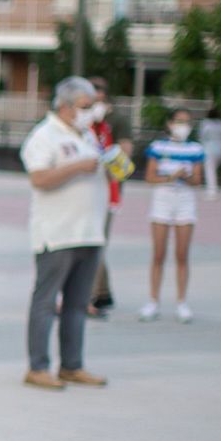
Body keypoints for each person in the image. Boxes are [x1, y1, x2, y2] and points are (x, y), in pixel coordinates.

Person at [20, 76, 112, 391]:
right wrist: (77, 167)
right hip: (57, 233)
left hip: (89, 231)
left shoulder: (87, 135)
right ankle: (38, 366)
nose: (91, 112)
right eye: (86, 106)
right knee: (46, 301)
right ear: (65, 106)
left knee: (77, 303)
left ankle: (72, 365)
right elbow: (39, 178)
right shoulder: (44, 136)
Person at [140, 109, 205, 323]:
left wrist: (185, 177)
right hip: (162, 199)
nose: (183, 126)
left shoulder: (195, 149)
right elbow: (150, 177)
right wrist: (170, 176)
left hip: (185, 200)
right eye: (179, 121)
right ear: (169, 123)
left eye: (187, 122)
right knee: (158, 253)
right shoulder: (158, 147)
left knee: (182, 254)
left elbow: (197, 179)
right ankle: (153, 301)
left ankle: (181, 302)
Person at [86, 78, 132, 319]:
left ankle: (93, 296)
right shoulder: (82, 123)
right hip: (84, 192)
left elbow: (125, 161)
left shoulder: (117, 121)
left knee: (95, 242)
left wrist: (105, 157)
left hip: (107, 191)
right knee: (88, 241)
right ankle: (101, 293)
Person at [198, 107, 221, 200]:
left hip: (208, 149)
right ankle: (211, 188)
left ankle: (212, 191)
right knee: (212, 170)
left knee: (210, 170)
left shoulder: (205, 123)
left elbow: (202, 137)